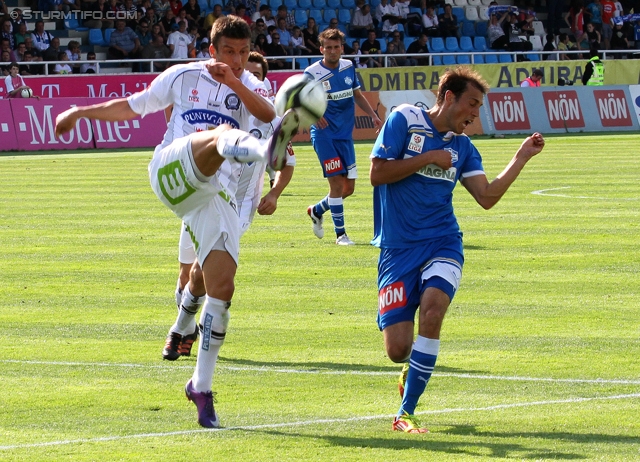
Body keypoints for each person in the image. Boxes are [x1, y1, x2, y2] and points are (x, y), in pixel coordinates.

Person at [55, 16, 301, 429]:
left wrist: (236, 82)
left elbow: (264, 111)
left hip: (213, 194)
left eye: (243, 52)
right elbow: (132, 106)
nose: (237, 60)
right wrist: (82, 111)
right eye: (228, 52)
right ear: (212, 50)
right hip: (172, 170)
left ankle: (200, 388)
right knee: (222, 134)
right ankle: (264, 155)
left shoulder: (252, 86)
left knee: (221, 288)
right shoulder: (183, 76)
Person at [369, 67, 546, 433]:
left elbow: (486, 197)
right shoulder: (404, 119)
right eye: (472, 105)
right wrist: (428, 158)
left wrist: (521, 157)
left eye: (479, 108)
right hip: (397, 249)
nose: (475, 115)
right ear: (448, 97)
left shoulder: (464, 147)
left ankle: (406, 412)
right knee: (397, 349)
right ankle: (409, 367)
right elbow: (378, 173)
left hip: (443, 242)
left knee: (433, 314)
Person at [163, 51, 296, 361]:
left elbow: (287, 162)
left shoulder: (272, 119)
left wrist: (274, 194)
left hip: (237, 204)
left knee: (202, 270)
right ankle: (187, 326)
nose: (243, 80)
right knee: (186, 276)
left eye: (253, 76)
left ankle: (179, 327)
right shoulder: (217, 107)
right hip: (199, 196)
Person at [305, 28, 383, 246]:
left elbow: (357, 95)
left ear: (342, 48)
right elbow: (300, 99)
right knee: (337, 185)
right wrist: (313, 114)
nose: (332, 51)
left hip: (345, 135)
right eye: (327, 47)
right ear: (321, 49)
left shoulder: (349, 66)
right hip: (324, 135)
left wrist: (373, 116)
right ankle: (341, 235)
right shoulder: (312, 72)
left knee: (348, 189)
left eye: (336, 47)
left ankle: (316, 210)